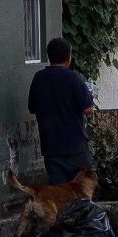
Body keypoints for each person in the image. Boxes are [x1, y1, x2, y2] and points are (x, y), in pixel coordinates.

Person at [28, 37, 96, 184]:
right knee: (82, 190)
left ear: (49, 57)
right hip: (75, 146)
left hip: (50, 147)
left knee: (59, 193)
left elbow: (32, 108)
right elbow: (88, 108)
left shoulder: (39, 78)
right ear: (68, 57)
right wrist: (90, 95)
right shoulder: (73, 78)